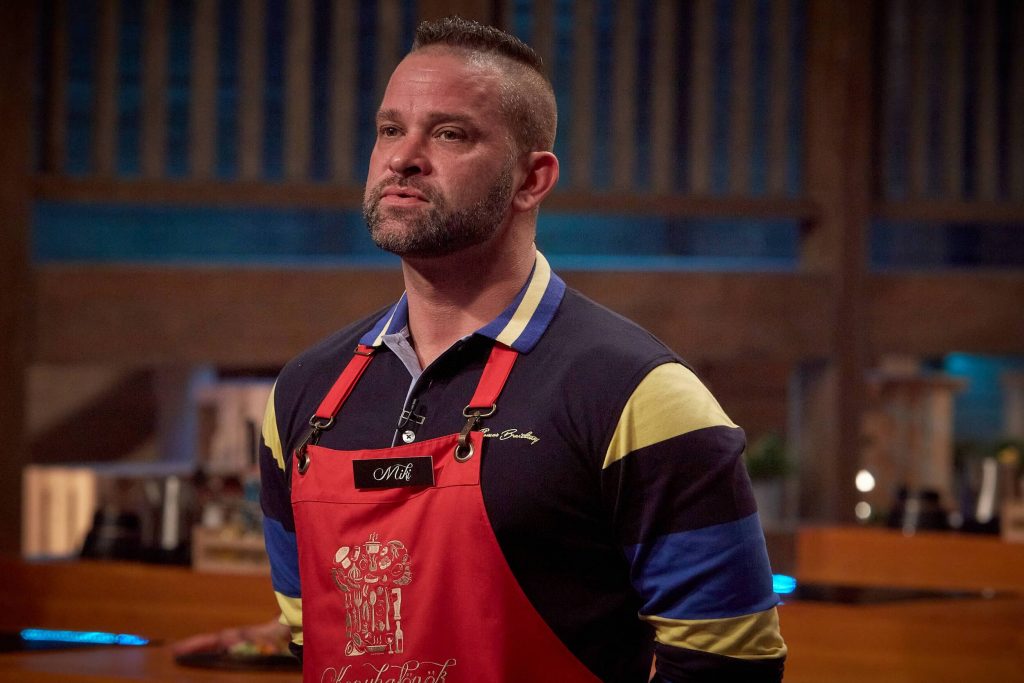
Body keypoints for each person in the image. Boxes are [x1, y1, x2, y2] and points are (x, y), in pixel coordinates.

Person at [259, 16, 786, 683]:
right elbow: (311, 633)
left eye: (450, 133)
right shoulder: (302, 394)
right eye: (390, 129)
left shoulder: (640, 394)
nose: (402, 157)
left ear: (532, 179)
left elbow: (730, 665)